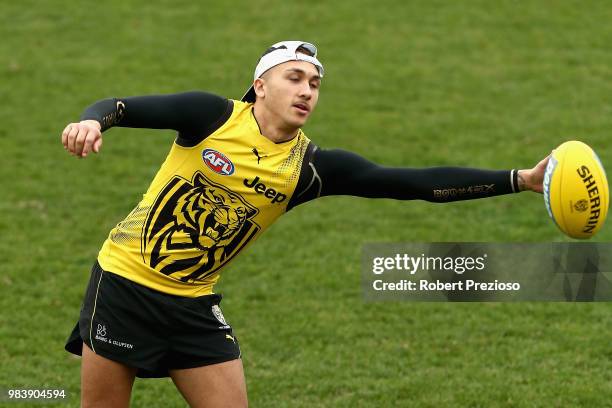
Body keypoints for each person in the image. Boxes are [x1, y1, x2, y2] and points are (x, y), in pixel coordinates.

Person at [61, 40, 549, 407]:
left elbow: (411, 182)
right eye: (294, 77)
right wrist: (91, 122)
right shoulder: (211, 116)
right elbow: (121, 107)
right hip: (124, 285)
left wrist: (520, 179)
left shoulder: (310, 169)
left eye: (314, 84)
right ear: (261, 85)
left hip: (191, 305)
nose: (306, 91)